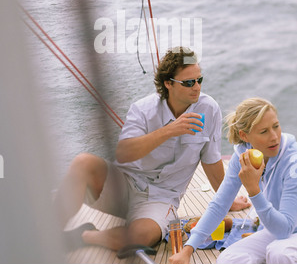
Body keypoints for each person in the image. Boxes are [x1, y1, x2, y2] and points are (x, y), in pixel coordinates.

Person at [54, 47, 249, 252]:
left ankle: (84, 235)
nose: (197, 88)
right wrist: (168, 131)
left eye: (199, 80)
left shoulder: (209, 109)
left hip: (162, 199)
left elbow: (211, 161)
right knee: (83, 162)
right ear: (168, 83)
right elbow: (123, 153)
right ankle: (49, 233)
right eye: (189, 82)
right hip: (124, 185)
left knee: (140, 237)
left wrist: (227, 201)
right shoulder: (143, 109)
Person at [169, 97, 297, 264]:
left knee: (279, 253)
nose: (274, 137)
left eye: (276, 126)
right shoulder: (243, 155)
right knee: (228, 259)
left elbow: (284, 230)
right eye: (264, 131)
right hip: (277, 228)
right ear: (244, 135)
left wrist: (253, 191)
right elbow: (220, 204)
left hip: (284, 229)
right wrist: (188, 250)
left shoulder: (292, 160)